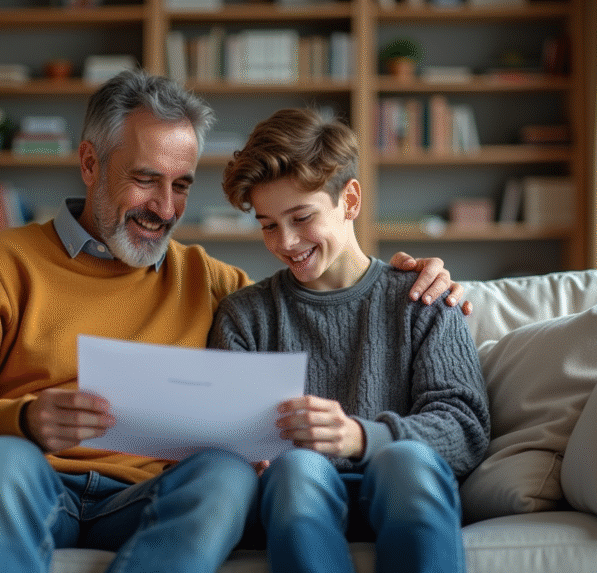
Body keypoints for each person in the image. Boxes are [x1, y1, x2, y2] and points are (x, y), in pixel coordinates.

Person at [0, 70, 469, 573]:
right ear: (89, 164)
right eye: (145, 179)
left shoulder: (213, 284)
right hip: (29, 479)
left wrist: (415, 277)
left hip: (149, 499)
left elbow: (310, 299)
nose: (165, 209)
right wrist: (24, 420)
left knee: (224, 474)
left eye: (181, 185)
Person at [209, 108, 491, 573]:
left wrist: (360, 436)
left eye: (301, 217)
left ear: (350, 199)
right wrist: (250, 457)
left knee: (405, 462)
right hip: (293, 500)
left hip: (401, 488)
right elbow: (226, 441)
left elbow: (465, 428)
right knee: (297, 469)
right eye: (267, 225)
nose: (287, 241)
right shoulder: (246, 316)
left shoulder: (423, 297)